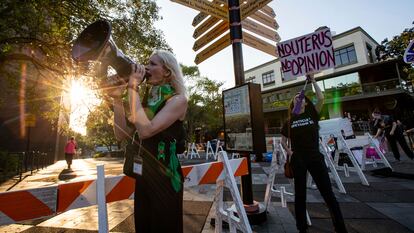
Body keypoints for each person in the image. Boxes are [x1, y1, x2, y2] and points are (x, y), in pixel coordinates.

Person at [109, 50, 187, 233]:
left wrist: (133, 87)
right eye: (147, 63)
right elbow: (122, 134)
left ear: (167, 71)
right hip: (144, 175)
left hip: (166, 179)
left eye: (152, 64)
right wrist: (116, 99)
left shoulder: (178, 100)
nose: (145, 68)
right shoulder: (146, 102)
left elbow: (145, 131)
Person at [281, 74, 347, 233]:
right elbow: (283, 140)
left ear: (305, 101)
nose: (299, 99)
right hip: (299, 160)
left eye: (302, 97)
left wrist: (313, 81)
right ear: (293, 103)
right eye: (296, 98)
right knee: (300, 194)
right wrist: (289, 151)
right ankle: (301, 228)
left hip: (315, 158)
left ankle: (340, 228)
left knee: (328, 194)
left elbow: (321, 98)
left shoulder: (312, 114)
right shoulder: (289, 121)